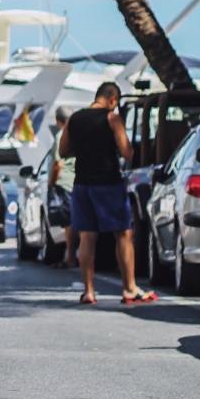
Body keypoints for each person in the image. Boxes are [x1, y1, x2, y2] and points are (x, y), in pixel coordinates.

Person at [59, 82, 156, 305]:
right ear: (113, 99)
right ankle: (129, 288)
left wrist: (83, 149)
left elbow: (63, 151)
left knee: (87, 236)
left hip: (82, 184)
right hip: (108, 183)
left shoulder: (74, 119)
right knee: (123, 235)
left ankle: (89, 291)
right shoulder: (112, 118)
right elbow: (127, 151)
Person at [47, 105, 77, 269]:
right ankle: (72, 255)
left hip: (65, 182)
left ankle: (70, 257)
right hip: (78, 181)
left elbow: (57, 163)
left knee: (68, 222)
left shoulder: (61, 135)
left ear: (58, 121)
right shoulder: (79, 133)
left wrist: (52, 181)